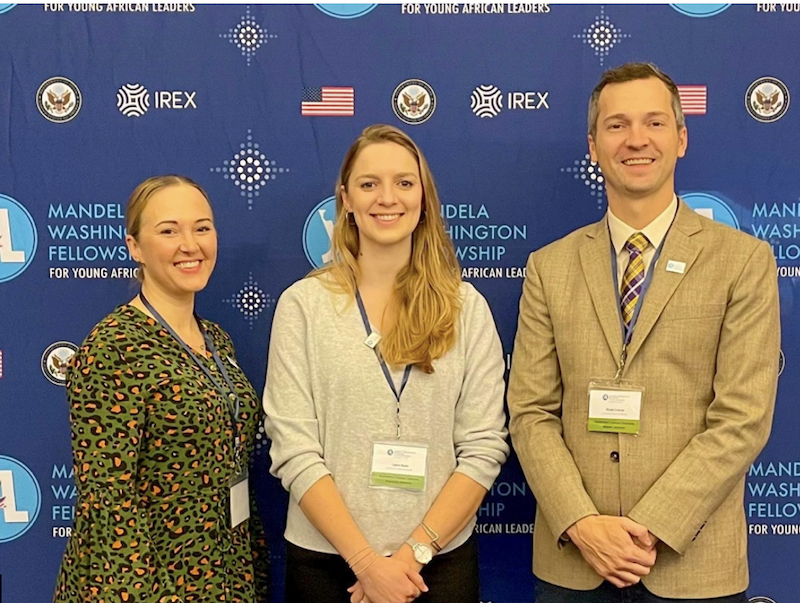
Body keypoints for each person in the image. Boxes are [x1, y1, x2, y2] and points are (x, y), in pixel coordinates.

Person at [508, 62, 780, 602]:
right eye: (617, 125)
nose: (636, 140)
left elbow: (743, 418)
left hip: (693, 564)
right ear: (593, 145)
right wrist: (584, 523)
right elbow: (531, 411)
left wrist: (647, 528)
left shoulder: (743, 261)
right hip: (574, 563)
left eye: (655, 124)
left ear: (681, 139)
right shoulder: (549, 266)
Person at [263, 124, 509, 603]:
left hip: (436, 566)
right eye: (369, 183)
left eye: (403, 182)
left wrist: (411, 554)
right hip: (328, 564)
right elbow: (293, 448)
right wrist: (367, 564)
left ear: (423, 198)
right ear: (346, 199)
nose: (387, 198)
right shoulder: (303, 305)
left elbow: (482, 448)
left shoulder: (466, 307)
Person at [53, 175, 269, 603]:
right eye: (169, 230)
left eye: (201, 228)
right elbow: (108, 499)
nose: (190, 244)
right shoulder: (115, 345)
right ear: (135, 247)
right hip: (147, 581)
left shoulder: (216, 340)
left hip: (223, 570)